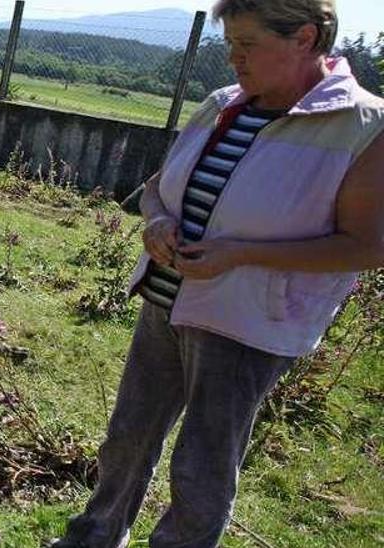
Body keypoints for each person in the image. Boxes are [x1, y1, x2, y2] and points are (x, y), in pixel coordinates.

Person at [51, 0, 384, 546]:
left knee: (202, 465)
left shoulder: (363, 125)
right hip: (167, 299)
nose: (232, 58)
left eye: (247, 45)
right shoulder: (222, 104)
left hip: (248, 324)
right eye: (229, 43)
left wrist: (242, 254)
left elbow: (367, 245)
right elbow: (161, 184)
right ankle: (91, 536)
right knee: (128, 438)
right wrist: (156, 220)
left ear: (304, 38)